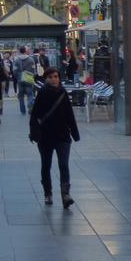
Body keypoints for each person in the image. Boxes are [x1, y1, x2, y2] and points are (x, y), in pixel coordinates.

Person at [29, 67, 80, 209]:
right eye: (50, 77)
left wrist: (75, 134)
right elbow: (34, 116)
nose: (54, 79)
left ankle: (65, 195)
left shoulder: (62, 93)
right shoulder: (42, 94)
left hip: (63, 136)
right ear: (45, 79)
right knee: (46, 165)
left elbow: (70, 114)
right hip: (45, 137)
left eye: (56, 76)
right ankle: (48, 193)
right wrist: (34, 134)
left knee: (64, 165)